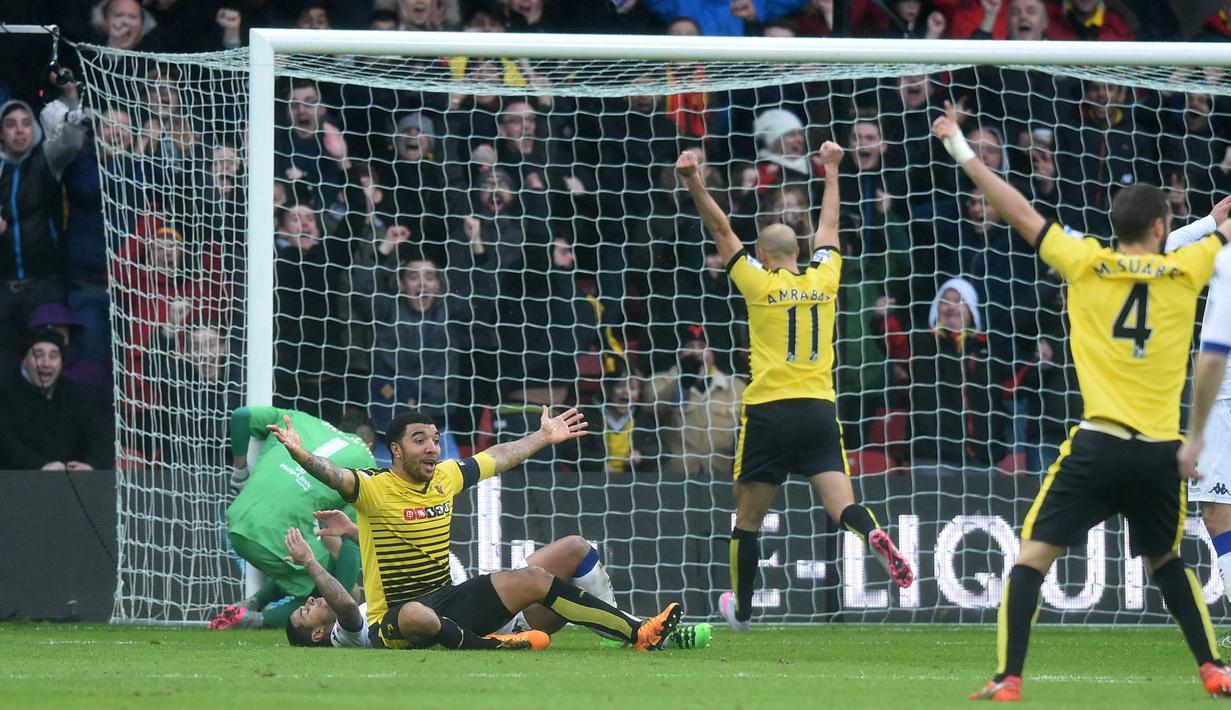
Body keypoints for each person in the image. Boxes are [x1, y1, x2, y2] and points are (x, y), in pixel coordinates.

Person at [930, 100, 1231, 701]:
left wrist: (960, 146)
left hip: (1097, 445)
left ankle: (1009, 676)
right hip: (1158, 454)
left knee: (1029, 562)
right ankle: (1214, 668)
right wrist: (1220, 224)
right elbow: (1217, 241)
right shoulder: (1189, 267)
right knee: (1168, 563)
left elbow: (1016, 207)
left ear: (1113, 227)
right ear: (1160, 229)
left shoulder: (1084, 262)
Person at [675, 141, 914, 634]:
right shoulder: (825, 277)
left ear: (763, 254)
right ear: (800, 251)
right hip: (819, 409)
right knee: (842, 505)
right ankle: (871, 532)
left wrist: (694, 180)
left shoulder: (758, 283)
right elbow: (830, 226)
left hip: (768, 411)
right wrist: (830, 170)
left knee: (748, 517)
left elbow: (721, 229)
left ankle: (740, 612)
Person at [264, 407, 683, 651]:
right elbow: (333, 474)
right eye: (419, 440)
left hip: (450, 598)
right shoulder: (373, 487)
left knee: (536, 578)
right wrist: (301, 453)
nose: (431, 447)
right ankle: (497, 646)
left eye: (433, 438)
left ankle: (639, 632)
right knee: (415, 613)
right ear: (395, 450)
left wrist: (541, 437)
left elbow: (498, 455)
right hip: (392, 619)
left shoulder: (446, 476)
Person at [206, 406, 377, 632]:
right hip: (277, 538)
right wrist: (343, 599)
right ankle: (256, 621)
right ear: (371, 445)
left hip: (237, 520)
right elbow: (351, 543)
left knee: (309, 565)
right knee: (325, 586)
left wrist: (240, 471)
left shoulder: (298, 418)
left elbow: (240, 416)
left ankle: (253, 602)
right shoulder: (365, 464)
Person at [1179, 245, 1231, 646]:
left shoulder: (1224, 259)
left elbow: (1155, 248)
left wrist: (1195, 432)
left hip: (1224, 395)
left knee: (1217, 514)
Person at [0, 329, 110, 471]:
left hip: (71, 486)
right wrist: (39, 467)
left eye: (53, 356)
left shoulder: (78, 394)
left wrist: (91, 465)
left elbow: (101, 437)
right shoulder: (4, 393)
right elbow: (6, 444)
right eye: (38, 355)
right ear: (24, 359)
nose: (46, 363)